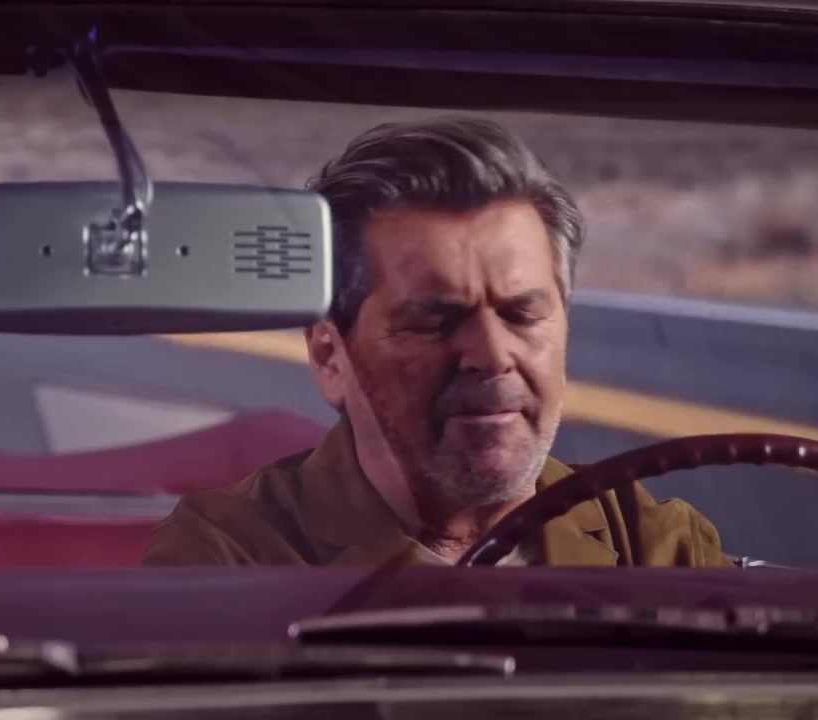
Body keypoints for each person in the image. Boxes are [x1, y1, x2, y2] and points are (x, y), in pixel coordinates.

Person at [144, 116, 731, 568]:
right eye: (433, 321)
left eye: (523, 313)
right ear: (329, 356)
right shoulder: (228, 557)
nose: (492, 355)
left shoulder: (655, 545)